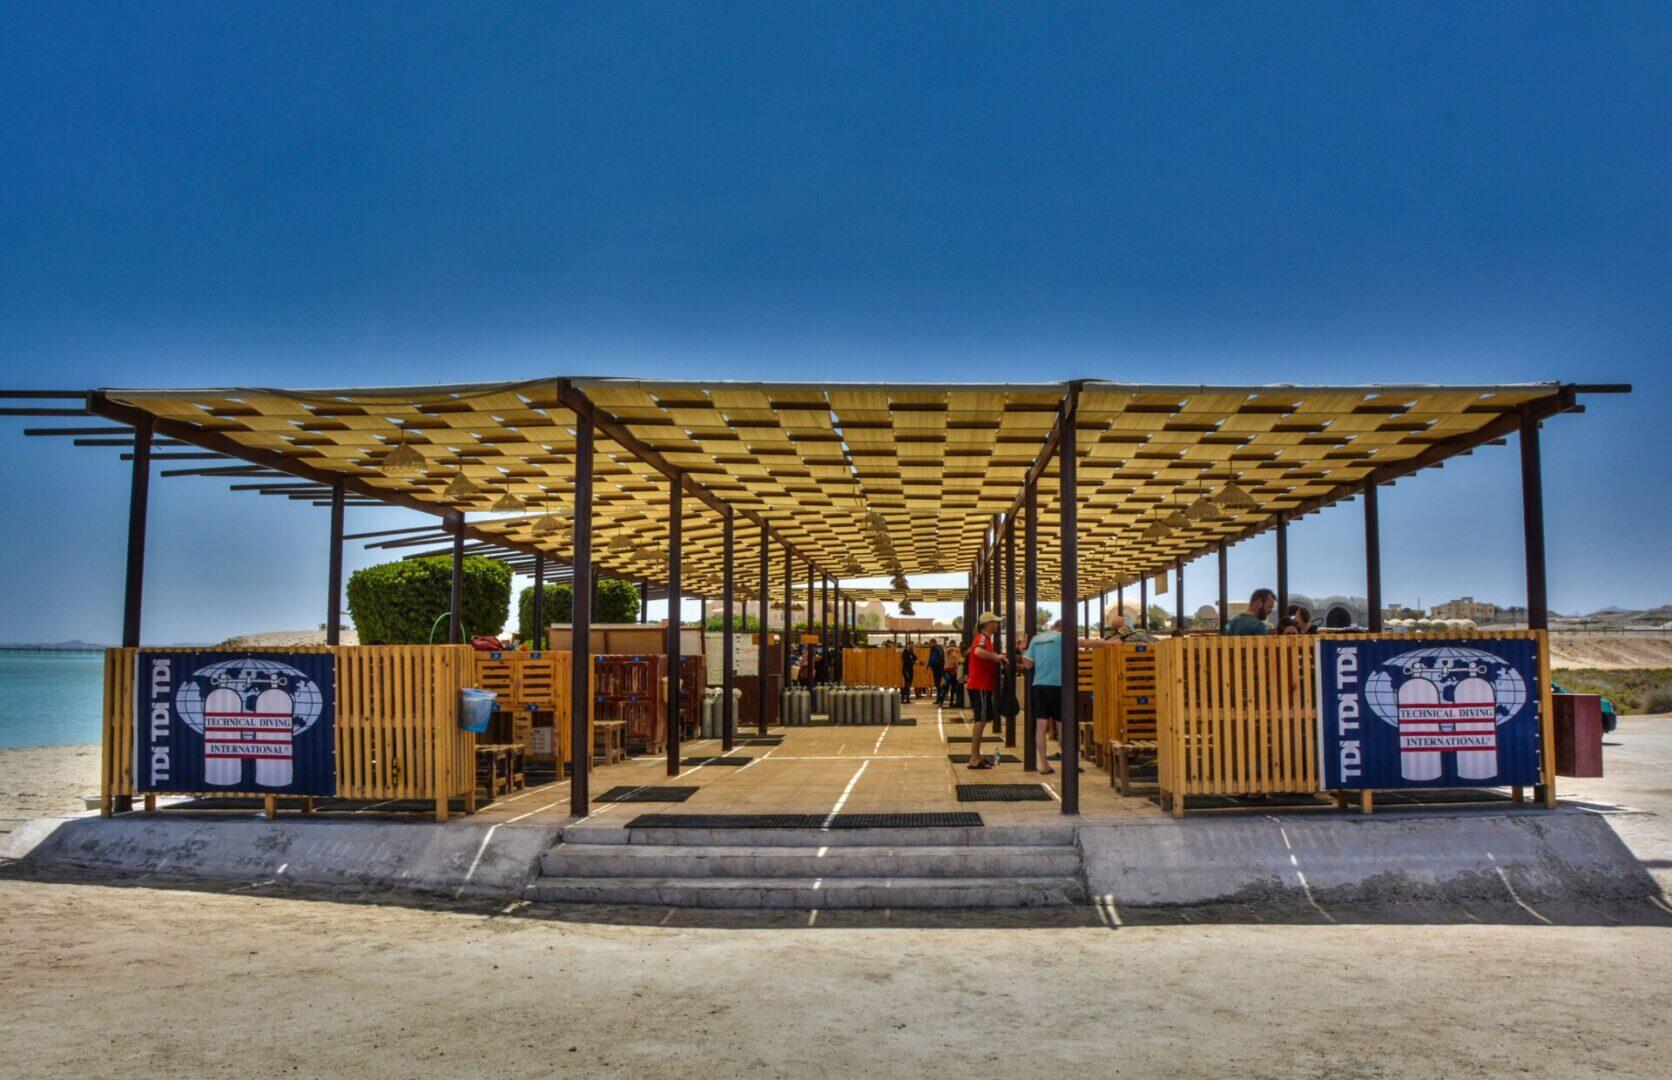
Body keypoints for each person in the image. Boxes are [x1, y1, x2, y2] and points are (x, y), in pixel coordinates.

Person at [1016, 619, 1067, 774]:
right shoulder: (1062, 637)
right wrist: (1109, 643)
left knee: (1041, 727)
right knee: (1062, 725)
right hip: (1058, 685)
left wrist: (1023, 648)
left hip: (1039, 686)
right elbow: (1085, 643)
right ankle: (1067, 763)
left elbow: (1027, 665)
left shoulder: (1036, 639)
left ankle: (1044, 764)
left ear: (1052, 626)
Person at [965, 612, 1006, 768]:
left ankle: (977, 755)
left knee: (982, 719)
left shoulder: (987, 640)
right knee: (980, 720)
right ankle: (974, 758)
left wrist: (999, 657)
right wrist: (996, 658)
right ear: (988, 624)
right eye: (995, 622)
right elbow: (978, 652)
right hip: (979, 685)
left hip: (983, 685)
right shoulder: (981, 638)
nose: (998, 625)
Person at [941, 641, 963, 707]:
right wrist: (954, 648)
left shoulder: (955, 653)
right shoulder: (947, 651)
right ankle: (941, 702)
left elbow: (956, 662)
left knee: (953, 688)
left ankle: (951, 703)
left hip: (954, 672)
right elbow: (949, 650)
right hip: (947, 671)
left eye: (954, 645)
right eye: (951, 645)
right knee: (945, 687)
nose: (953, 646)